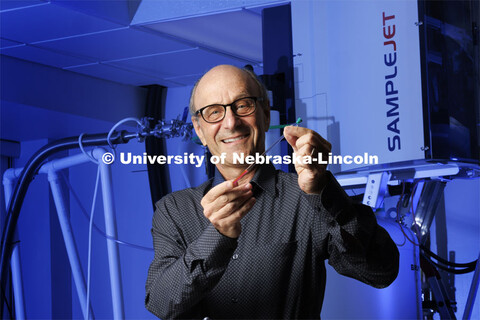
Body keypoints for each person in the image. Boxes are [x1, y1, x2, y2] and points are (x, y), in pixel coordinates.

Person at [145, 65, 399, 319]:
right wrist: (216, 238)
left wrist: (323, 191)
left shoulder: (306, 196)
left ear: (266, 114)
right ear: (199, 130)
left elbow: (380, 271)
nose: (231, 122)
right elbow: (162, 303)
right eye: (214, 112)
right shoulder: (174, 211)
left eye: (243, 105)